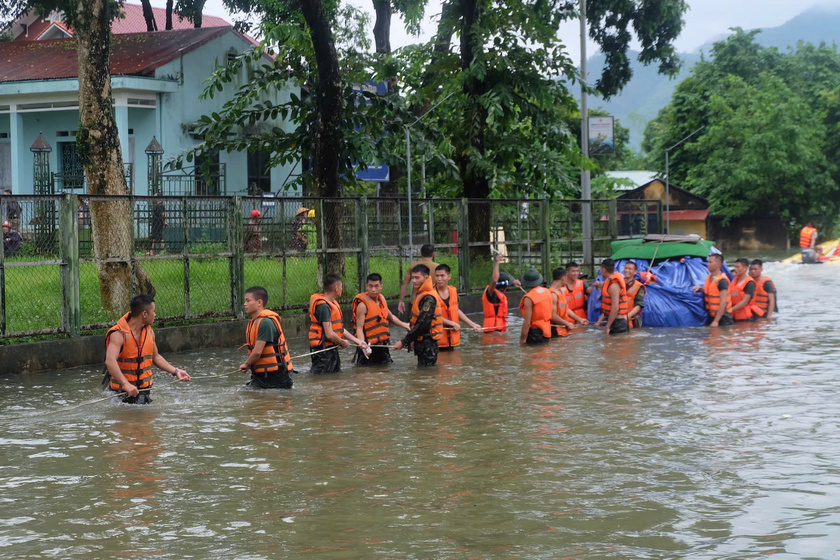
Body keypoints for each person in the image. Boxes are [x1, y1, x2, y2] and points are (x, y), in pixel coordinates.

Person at [103, 294, 191, 404]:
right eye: (153, 311)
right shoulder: (118, 333)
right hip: (120, 395)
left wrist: (176, 371)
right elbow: (110, 361)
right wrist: (126, 384)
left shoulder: (149, 332)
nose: (155, 314)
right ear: (144, 314)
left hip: (143, 393)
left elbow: (156, 357)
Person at [308, 274, 369, 374]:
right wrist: (342, 342)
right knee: (323, 379)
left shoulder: (332, 303)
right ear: (336, 288)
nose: (342, 289)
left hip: (331, 350)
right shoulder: (324, 307)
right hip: (323, 352)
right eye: (341, 286)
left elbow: (340, 329)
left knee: (334, 377)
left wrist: (357, 341)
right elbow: (329, 333)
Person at [239, 286, 294, 389]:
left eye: (248, 301)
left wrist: (246, 364)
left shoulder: (266, 323)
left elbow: (257, 352)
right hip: (263, 375)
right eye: (244, 301)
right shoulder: (256, 322)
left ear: (259, 302)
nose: (245, 304)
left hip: (275, 376)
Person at [352, 273, 409, 365]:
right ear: (367, 286)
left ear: (381, 286)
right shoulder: (362, 306)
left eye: (376, 286)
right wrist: (363, 347)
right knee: (366, 374)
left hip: (382, 346)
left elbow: (391, 317)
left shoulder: (382, 300)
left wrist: (405, 325)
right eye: (370, 286)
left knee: (386, 371)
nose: (373, 290)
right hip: (368, 347)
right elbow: (359, 329)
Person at [393, 264, 443, 366]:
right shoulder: (421, 294)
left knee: (427, 374)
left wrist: (404, 341)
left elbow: (423, 324)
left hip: (428, 344)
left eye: (417, 278)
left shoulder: (428, 298)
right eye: (412, 278)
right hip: (422, 343)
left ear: (426, 277)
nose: (414, 281)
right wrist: (412, 340)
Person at [435, 263, 483, 350]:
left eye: (442, 276)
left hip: (450, 339)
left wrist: (473, 325)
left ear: (449, 277)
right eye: (437, 276)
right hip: (435, 340)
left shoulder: (453, 291)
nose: (439, 279)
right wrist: (452, 323)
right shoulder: (430, 294)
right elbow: (432, 316)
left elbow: (455, 311)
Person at [482, 253, 521, 332]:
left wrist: (513, 283)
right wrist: (497, 262)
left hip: (499, 330)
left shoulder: (500, 294)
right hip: (492, 332)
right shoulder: (491, 293)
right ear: (504, 288)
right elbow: (494, 280)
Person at [693, 253, 733, 327]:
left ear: (718, 264)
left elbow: (723, 302)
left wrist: (716, 321)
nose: (708, 264)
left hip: (723, 317)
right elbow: (712, 293)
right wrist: (701, 289)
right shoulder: (709, 277)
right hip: (712, 315)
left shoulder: (722, 281)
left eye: (710, 262)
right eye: (708, 262)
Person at [518, 268, 556, 345]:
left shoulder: (529, 298)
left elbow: (527, 323)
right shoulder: (547, 292)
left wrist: (521, 340)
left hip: (535, 334)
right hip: (547, 331)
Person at [596, 259, 630, 335]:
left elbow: (615, 308)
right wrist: (598, 284)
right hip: (616, 321)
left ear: (603, 269)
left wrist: (608, 326)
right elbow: (605, 286)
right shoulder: (609, 282)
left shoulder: (614, 285)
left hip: (618, 323)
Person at [729, 257, 761, 322]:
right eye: (735, 267)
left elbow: (745, 302)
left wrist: (730, 310)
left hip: (747, 317)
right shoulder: (733, 281)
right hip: (734, 315)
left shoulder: (749, 283)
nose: (735, 269)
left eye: (738, 267)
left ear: (745, 268)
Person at [548, 267, 576, 338]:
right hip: (555, 331)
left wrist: (580, 320)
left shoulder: (561, 291)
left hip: (563, 330)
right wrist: (567, 323)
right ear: (563, 278)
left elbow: (566, 309)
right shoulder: (552, 294)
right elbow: (553, 316)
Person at [561, 261, 591, 325]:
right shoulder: (561, 285)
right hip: (567, 319)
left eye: (577, 271)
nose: (576, 273)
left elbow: (589, 291)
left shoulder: (581, 283)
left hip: (582, 318)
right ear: (567, 272)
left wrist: (596, 286)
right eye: (573, 271)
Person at [623, 261, 646, 328]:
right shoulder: (618, 283)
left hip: (631, 320)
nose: (627, 270)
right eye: (625, 268)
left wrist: (627, 316)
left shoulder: (638, 286)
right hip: (617, 318)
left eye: (630, 269)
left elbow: (639, 305)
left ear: (635, 272)